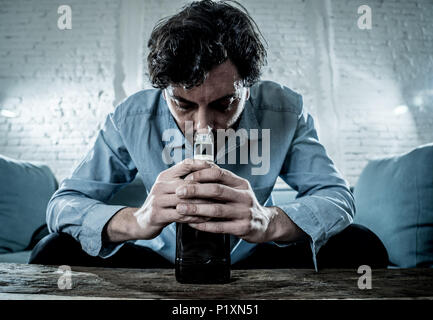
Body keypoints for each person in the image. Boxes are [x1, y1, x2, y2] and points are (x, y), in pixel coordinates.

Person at [30, 0, 388, 270]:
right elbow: (64, 203)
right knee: (51, 249)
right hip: (158, 260)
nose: (202, 126)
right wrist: (136, 220)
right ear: (164, 90)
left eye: (223, 103)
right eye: (183, 105)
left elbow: (337, 197)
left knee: (360, 244)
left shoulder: (285, 109)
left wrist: (268, 221)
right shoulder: (131, 117)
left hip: (250, 257)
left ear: (249, 86)